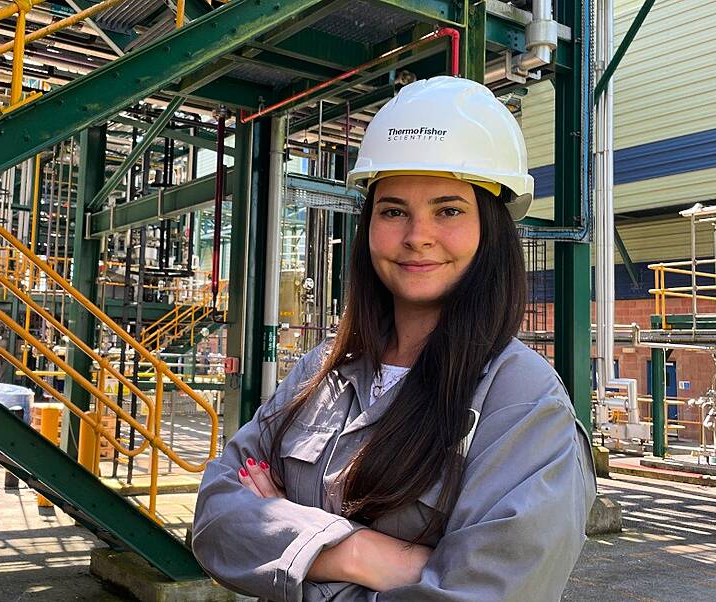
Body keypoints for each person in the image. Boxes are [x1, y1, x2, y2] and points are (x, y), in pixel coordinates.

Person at [191, 77, 596, 601]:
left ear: (489, 229)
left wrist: (291, 554)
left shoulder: (522, 402)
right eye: (393, 210)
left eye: (448, 210)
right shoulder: (324, 371)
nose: (416, 235)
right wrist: (358, 553)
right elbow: (215, 516)